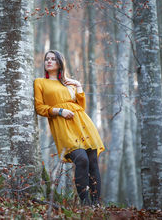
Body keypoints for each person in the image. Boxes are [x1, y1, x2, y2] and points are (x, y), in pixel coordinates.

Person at [34, 50, 105, 206]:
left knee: (93, 162)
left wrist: (78, 86)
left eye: (53, 59)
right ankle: (85, 204)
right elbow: (40, 108)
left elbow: (81, 107)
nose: (49, 61)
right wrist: (59, 111)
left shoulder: (69, 83)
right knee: (81, 159)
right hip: (63, 126)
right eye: (47, 59)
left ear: (60, 63)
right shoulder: (40, 82)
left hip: (83, 124)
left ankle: (96, 205)